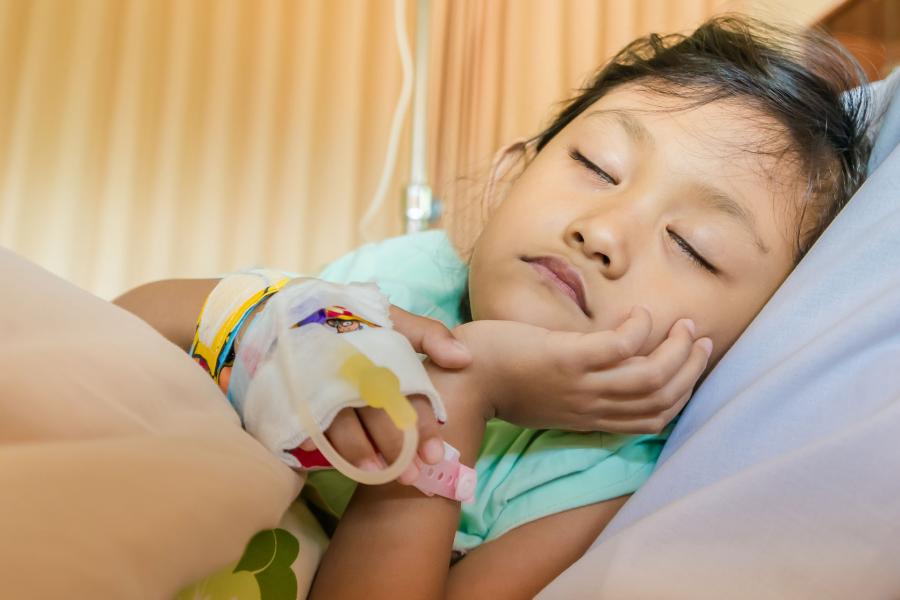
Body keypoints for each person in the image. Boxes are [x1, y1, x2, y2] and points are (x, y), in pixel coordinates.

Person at [115, 15, 871, 598]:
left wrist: (465, 389)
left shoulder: (595, 482)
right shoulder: (399, 286)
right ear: (508, 181)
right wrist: (272, 311)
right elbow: (126, 329)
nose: (602, 231)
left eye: (694, 244)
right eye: (594, 166)